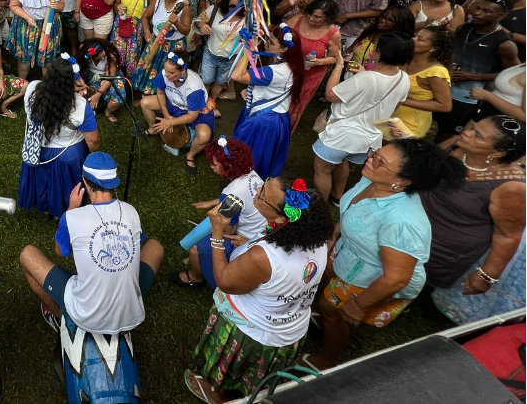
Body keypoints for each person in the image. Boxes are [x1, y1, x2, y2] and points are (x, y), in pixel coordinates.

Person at [307, 139, 466, 370]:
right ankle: (327, 319)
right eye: (374, 154)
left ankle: (328, 358)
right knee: (328, 294)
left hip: (371, 278)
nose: (370, 160)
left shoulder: (402, 221)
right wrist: (335, 234)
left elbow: (396, 278)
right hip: (351, 256)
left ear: (402, 181)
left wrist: (358, 305)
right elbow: (353, 209)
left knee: (333, 310)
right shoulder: (372, 179)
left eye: (379, 161)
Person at [185, 177, 333, 403]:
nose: (256, 191)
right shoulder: (315, 238)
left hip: (252, 332)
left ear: (284, 217)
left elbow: (224, 280)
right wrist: (250, 240)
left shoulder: (263, 257)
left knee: (232, 369)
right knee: (255, 373)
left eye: (262, 194)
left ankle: (219, 394)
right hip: (289, 327)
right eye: (264, 184)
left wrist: (216, 233)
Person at [19, 152, 165, 334]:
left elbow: (60, 251)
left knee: (27, 254)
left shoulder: (71, 217)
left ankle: (59, 315)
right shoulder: (131, 212)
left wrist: (71, 209)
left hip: (86, 315)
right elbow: (139, 241)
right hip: (131, 314)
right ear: (114, 183)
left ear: (85, 182)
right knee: (156, 247)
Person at [424, 116, 526, 324]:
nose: (467, 132)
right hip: (410, 226)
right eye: (472, 127)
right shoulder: (457, 145)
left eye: (477, 135)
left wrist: (487, 275)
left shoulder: (511, 186)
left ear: (498, 152)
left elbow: (508, 236)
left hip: (441, 249)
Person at [313, 31, 412, 203]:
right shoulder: (403, 78)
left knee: (322, 170)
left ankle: (319, 206)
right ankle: (337, 197)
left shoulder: (367, 78)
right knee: (342, 161)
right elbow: (395, 105)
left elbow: (329, 94)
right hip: (370, 139)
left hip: (342, 135)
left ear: (382, 53)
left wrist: (338, 67)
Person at [172, 136, 266, 290]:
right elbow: (243, 199)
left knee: (195, 250)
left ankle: (197, 278)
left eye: (214, 164)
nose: (211, 167)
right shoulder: (252, 174)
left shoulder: (231, 193)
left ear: (228, 165)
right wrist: (214, 202)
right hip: (264, 231)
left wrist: (212, 228)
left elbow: (229, 230)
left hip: (246, 240)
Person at [19, 56, 101, 219]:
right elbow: (93, 140)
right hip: (66, 155)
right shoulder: (80, 105)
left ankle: (45, 207)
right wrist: (93, 153)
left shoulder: (32, 88)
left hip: (37, 149)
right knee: (64, 183)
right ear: (72, 81)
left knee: (43, 180)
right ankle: (61, 211)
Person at [231, 24, 304, 179]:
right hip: (276, 118)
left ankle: (244, 185)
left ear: (284, 49)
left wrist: (248, 50)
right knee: (262, 155)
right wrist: (255, 91)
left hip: (263, 122)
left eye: (270, 42)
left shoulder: (275, 71)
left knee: (251, 154)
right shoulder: (292, 65)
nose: (266, 44)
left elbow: (237, 76)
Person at [442, 0, 520, 139]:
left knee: (447, 136)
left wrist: (472, 76)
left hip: (467, 98)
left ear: (501, 16)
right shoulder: (464, 29)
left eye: (486, 11)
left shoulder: (505, 44)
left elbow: (511, 75)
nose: (477, 13)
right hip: (444, 89)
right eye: (477, 8)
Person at [141, 51, 214, 172]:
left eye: (171, 73)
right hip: (173, 103)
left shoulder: (194, 87)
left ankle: (190, 155)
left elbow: (192, 116)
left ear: (183, 71)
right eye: (165, 70)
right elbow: (160, 92)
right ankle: (153, 129)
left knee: (204, 136)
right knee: (145, 103)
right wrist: (166, 115)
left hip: (195, 111)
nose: (166, 74)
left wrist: (170, 122)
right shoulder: (165, 73)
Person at [4, 0, 66, 80]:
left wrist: (56, 6)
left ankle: (46, 87)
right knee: (24, 58)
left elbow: (61, 6)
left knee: (47, 58)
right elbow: (14, 5)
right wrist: (27, 17)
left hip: (48, 23)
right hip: (26, 24)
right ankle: (23, 85)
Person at [131, 0, 192, 94]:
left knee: (167, 71)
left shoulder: (184, 7)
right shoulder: (158, 1)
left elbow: (186, 30)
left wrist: (177, 23)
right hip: (156, 42)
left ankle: (162, 95)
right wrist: (147, 33)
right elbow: (145, 16)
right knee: (149, 66)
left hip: (174, 46)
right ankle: (146, 91)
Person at [288, 0, 341, 131]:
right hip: (287, 68)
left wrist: (320, 62)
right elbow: (278, 38)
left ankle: (285, 133)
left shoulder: (333, 33)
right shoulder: (297, 20)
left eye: (317, 17)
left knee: (295, 105)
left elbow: (335, 58)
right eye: (310, 14)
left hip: (310, 75)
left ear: (328, 18)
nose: (311, 19)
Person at [392, 26, 454, 138]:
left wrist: (403, 100)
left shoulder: (436, 71)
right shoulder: (404, 58)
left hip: (411, 124)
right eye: (415, 36)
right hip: (389, 115)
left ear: (433, 48)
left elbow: (445, 106)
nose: (413, 39)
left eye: (420, 39)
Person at [197, 0, 244, 108]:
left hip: (230, 58)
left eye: (238, 7)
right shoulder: (214, 10)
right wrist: (202, 25)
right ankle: (201, 104)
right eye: (231, 6)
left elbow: (255, 37)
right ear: (226, 3)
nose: (234, 9)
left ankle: (211, 104)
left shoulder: (248, 19)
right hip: (211, 54)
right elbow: (197, 20)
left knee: (220, 83)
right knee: (206, 81)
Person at [111, 0, 150, 78]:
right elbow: (116, 3)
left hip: (136, 27)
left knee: (132, 55)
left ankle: (129, 81)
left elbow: (151, 10)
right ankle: (117, 78)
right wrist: (119, 8)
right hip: (121, 23)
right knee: (117, 51)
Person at [347, 5, 416, 71]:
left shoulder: (395, 44)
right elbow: (350, 49)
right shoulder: (370, 30)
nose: (383, 20)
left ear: (399, 24)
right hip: (349, 74)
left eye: (389, 20)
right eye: (383, 16)